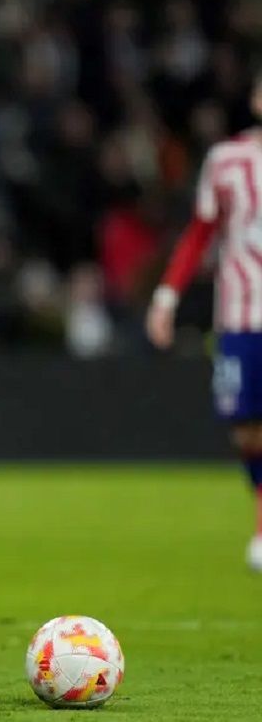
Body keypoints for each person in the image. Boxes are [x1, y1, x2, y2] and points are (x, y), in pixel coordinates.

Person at [146, 70, 262, 572]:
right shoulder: (227, 160)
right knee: (246, 431)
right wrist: (166, 298)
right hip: (240, 314)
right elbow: (200, 233)